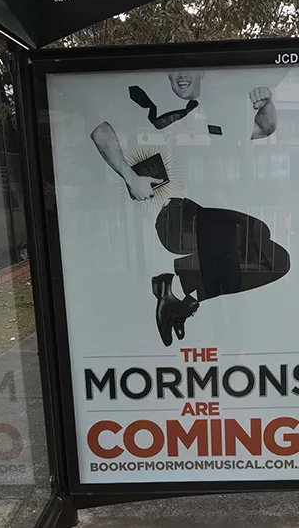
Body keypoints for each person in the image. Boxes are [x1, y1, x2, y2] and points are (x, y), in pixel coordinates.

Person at [89, 69, 288, 347]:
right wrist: (130, 176)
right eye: (175, 71)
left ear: (202, 73)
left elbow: (265, 127)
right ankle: (178, 295)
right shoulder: (143, 99)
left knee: (259, 257)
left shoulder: (216, 110)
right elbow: (101, 131)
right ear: (167, 76)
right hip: (171, 213)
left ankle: (181, 303)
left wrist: (266, 104)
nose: (182, 76)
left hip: (207, 215)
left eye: (189, 70)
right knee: (235, 245)